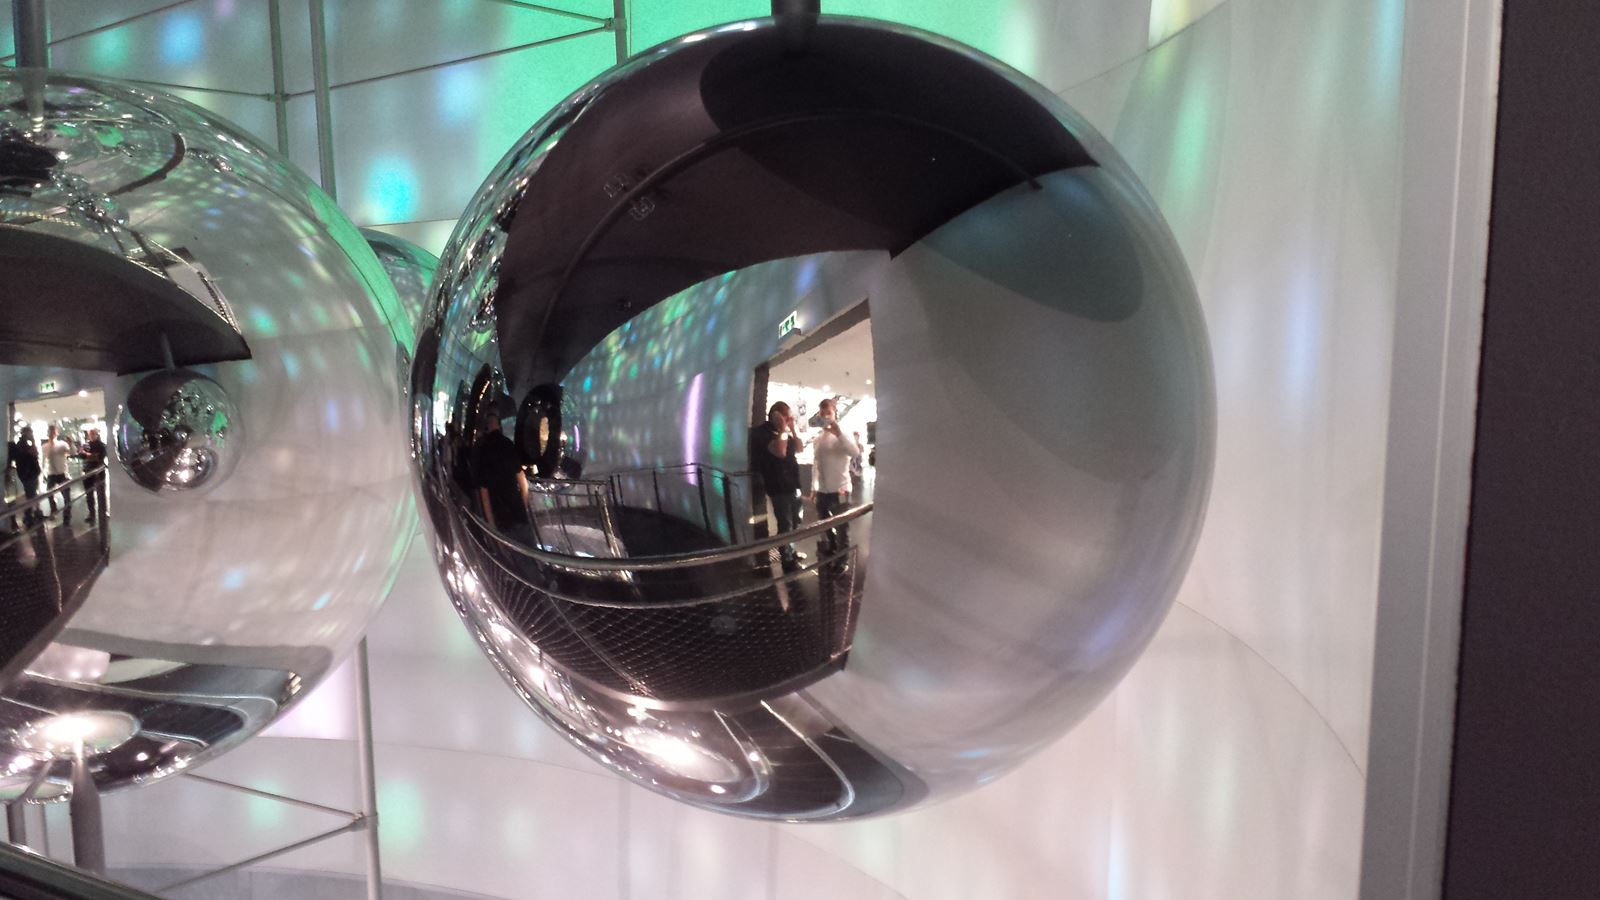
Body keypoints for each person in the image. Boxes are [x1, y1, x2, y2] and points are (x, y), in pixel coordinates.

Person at [751, 401, 804, 572]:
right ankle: (787, 560)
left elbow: (800, 448)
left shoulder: (785, 433)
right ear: (776, 415)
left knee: (796, 521)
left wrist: (792, 428)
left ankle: (791, 550)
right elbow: (780, 452)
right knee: (785, 524)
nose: (788, 420)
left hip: (793, 484)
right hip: (778, 487)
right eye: (786, 416)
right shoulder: (762, 433)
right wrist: (782, 429)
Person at [471, 412, 533, 545]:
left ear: (487, 427)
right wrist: (523, 506)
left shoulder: (483, 451)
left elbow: (484, 493)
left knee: (509, 554)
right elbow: (523, 481)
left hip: (502, 519)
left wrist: (491, 525)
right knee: (531, 550)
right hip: (519, 514)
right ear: (499, 425)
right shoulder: (508, 444)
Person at [811, 399, 862, 556]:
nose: (825, 416)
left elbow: (855, 453)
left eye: (829, 413)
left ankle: (842, 559)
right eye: (822, 413)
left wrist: (838, 433)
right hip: (822, 491)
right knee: (824, 524)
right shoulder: (818, 439)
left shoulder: (844, 433)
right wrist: (813, 488)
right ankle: (832, 548)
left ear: (835, 414)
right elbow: (816, 465)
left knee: (842, 527)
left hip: (840, 489)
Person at [8, 426, 41, 529]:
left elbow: (34, 454)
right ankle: (28, 518)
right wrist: (33, 441)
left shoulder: (25, 444)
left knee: (31, 496)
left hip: (30, 474)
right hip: (28, 475)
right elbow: (33, 454)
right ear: (25, 433)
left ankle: (31, 516)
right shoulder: (22, 445)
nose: (31, 434)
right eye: (30, 433)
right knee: (30, 497)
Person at [40, 424, 72, 525]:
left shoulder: (62, 444)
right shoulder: (45, 446)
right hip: (51, 474)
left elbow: (71, 452)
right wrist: (43, 474)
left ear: (56, 433)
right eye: (50, 431)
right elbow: (43, 460)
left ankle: (66, 516)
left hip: (62, 473)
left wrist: (70, 445)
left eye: (53, 431)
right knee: (49, 494)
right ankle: (54, 509)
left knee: (66, 496)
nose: (51, 433)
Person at [79, 428, 107, 524]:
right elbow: (81, 455)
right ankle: (92, 514)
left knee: (101, 494)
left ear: (96, 434)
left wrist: (87, 455)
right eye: (90, 434)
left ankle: (103, 512)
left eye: (93, 434)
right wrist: (91, 455)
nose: (91, 436)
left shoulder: (101, 445)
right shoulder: (85, 445)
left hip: (98, 472)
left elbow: (100, 456)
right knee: (89, 494)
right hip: (87, 471)